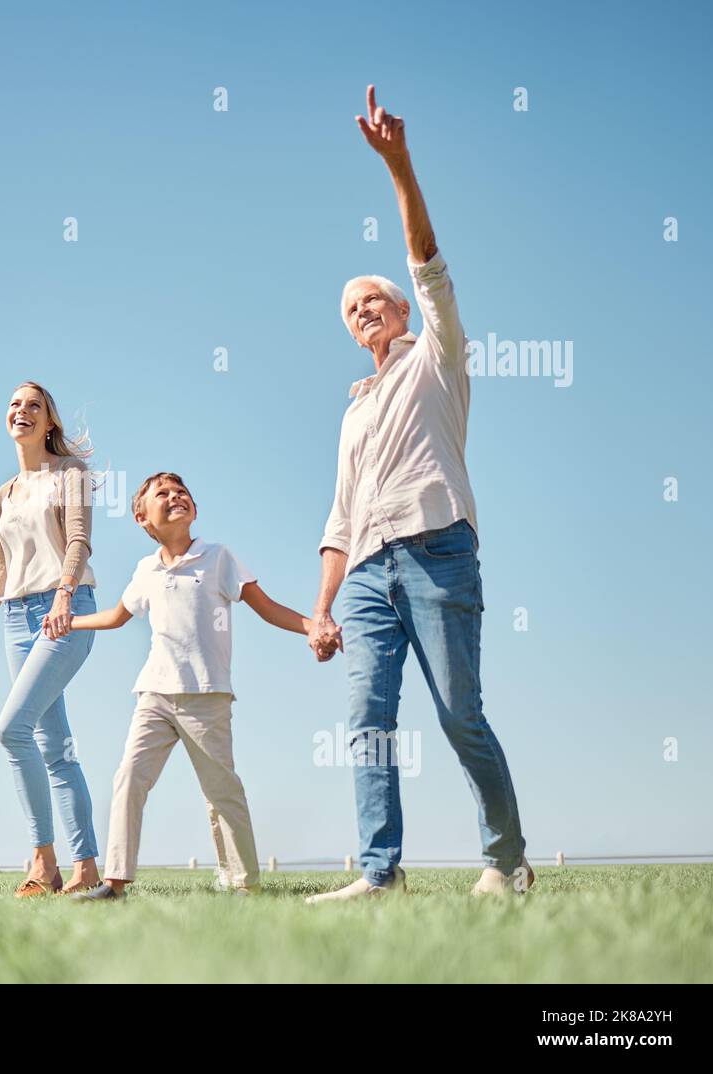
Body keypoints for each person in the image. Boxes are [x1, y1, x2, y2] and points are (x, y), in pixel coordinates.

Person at [305, 86, 531, 903]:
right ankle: (378, 871)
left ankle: (506, 861)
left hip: (438, 550)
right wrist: (323, 607)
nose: (364, 311)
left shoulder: (439, 356)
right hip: (365, 574)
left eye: (374, 300)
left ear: (403, 311)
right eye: (351, 310)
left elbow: (427, 257)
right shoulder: (353, 410)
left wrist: (398, 165)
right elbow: (338, 520)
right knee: (367, 725)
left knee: (459, 714)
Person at [69, 472, 314, 901]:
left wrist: (313, 627)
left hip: (207, 695)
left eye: (181, 492)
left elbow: (267, 607)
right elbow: (115, 616)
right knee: (128, 778)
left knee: (221, 790)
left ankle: (244, 883)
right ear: (143, 519)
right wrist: (68, 622)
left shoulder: (219, 558)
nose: (175, 496)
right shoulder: (145, 569)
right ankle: (116, 882)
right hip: (155, 694)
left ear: (194, 510)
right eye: (161, 494)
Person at [0, 382, 101, 897]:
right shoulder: (5, 493)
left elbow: (80, 539)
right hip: (16, 621)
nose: (22, 411)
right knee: (54, 746)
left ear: (49, 423)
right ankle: (84, 867)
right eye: (14, 405)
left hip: (65, 610)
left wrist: (64, 595)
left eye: (33, 406)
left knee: (10, 730)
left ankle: (43, 860)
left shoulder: (71, 475)